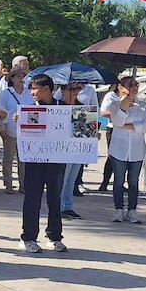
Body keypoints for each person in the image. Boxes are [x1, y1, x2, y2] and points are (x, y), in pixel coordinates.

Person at [18, 75, 68, 254]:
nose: (32, 92)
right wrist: (20, 121)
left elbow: (76, 129)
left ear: (47, 89)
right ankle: (28, 238)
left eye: (35, 88)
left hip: (56, 161)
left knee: (55, 199)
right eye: (31, 88)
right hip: (34, 162)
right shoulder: (29, 109)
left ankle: (54, 237)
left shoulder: (63, 108)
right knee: (32, 199)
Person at [100, 76, 146, 223]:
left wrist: (129, 126)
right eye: (130, 85)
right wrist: (125, 104)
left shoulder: (143, 105)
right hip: (119, 149)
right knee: (119, 180)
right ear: (121, 88)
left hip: (137, 149)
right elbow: (117, 121)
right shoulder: (115, 104)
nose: (134, 88)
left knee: (133, 181)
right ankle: (118, 210)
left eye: (136, 85)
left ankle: (132, 210)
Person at [56, 80, 87, 220]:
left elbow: (86, 127)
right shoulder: (57, 106)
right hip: (62, 148)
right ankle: (58, 207)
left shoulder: (82, 107)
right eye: (72, 89)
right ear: (63, 91)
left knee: (71, 178)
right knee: (63, 178)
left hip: (77, 148)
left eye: (77, 89)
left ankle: (67, 206)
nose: (75, 92)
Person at [0, 66, 30, 193]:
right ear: (12, 78)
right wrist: (3, 129)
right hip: (10, 129)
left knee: (23, 159)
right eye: (18, 76)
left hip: (26, 131)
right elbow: (1, 110)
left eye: (23, 76)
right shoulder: (6, 93)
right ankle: (8, 184)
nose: (21, 79)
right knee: (8, 158)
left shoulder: (28, 92)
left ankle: (23, 184)